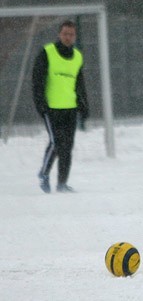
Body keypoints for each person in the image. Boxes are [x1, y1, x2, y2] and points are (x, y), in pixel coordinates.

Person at [32, 20, 89, 193]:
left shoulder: (78, 56)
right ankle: (43, 173)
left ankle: (62, 183)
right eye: (65, 33)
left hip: (69, 108)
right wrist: (40, 104)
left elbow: (80, 83)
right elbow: (37, 81)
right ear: (59, 34)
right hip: (51, 108)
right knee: (56, 142)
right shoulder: (47, 53)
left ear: (75, 36)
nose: (68, 37)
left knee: (67, 146)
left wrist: (84, 104)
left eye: (71, 34)